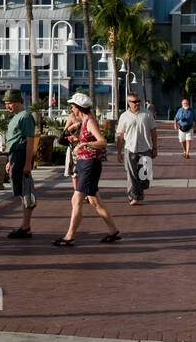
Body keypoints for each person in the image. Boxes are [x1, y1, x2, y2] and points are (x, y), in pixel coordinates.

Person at [54, 93, 121, 247]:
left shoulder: (89, 121)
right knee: (94, 201)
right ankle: (113, 230)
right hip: (86, 164)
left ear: (79, 108)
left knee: (76, 200)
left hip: (90, 164)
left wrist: (85, 145)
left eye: (73, 106)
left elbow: (102, 142)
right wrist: (79, 140)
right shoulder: (84, 121)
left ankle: (69, 236)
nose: (71, 108)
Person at [2, 89, 37, 238]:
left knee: (25, 191)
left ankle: (25, 226)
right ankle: (25, 225)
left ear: (17, 102)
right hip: (15, 156)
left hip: (21, 156)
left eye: (9, 103)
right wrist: (10, 161)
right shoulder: (17, 117)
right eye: (6, 103)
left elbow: (30, 142)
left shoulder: (25, 117)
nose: (7, 106)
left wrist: (27, 163)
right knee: (21, 191)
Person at [116, 92, 158, 205]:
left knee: (145, 176)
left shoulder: (147, 114)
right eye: (135, 102)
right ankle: (133, 196)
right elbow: (120, 135)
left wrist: (155, 147)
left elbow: (153, 132)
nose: (137, 103)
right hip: (130, 149)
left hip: (145, 148)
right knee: (131, 174)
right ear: (129, 103)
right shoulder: (124, 116)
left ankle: (140, 191)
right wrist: (119, 152)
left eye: (139, 101)